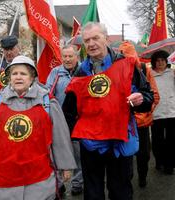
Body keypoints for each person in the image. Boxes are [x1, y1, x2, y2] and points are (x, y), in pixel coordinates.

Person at [62, 22, 154, 200]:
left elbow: (148, 96)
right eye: (87, 40)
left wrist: (141, 99)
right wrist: (81, 136)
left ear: (106, 38)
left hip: (120, 141)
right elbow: (68, 112)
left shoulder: (127, 65)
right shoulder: (81, 72)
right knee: (93, 193)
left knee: (121, 192)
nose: (91, 43)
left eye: (95, 38)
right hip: (91, 146)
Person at [0, 55, 77, 200]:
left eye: (23, 74)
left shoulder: (47, 101)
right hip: (4, 180)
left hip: (39, 180)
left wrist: (65, 165)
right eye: (14, 73)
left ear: (32, 77)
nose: (18, 77)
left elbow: (59, 136)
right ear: (9, 77)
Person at [119, 41, 160, 187]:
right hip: (124, 123)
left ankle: (142, 177)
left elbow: (154, 95)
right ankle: (127, 181)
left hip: (142, 123)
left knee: (143, 155)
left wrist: (147, 111)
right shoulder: (115, 71)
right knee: (126, 154)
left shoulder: (143, 69)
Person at [46, 44, 83, 196]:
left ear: (77, 57)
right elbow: (47, 92)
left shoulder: (83, 71)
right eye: (65, 56)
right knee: (58, 151)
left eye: (70, 56)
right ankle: (59, 183)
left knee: (77, 153)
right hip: (59, 121)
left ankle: (77, 183)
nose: (67, 59)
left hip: (79, 121)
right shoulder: (55, 72)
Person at [150, 50, 175, 175]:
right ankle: (159, 160)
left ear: (167, 61)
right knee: (157, 140)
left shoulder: (172, 73)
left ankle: (169, 165)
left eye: (163, 60)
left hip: (172, 112)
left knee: (171, 140)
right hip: (156, 113)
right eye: (157, 60)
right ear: (154, 62)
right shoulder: (149, 75)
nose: (160, 63)